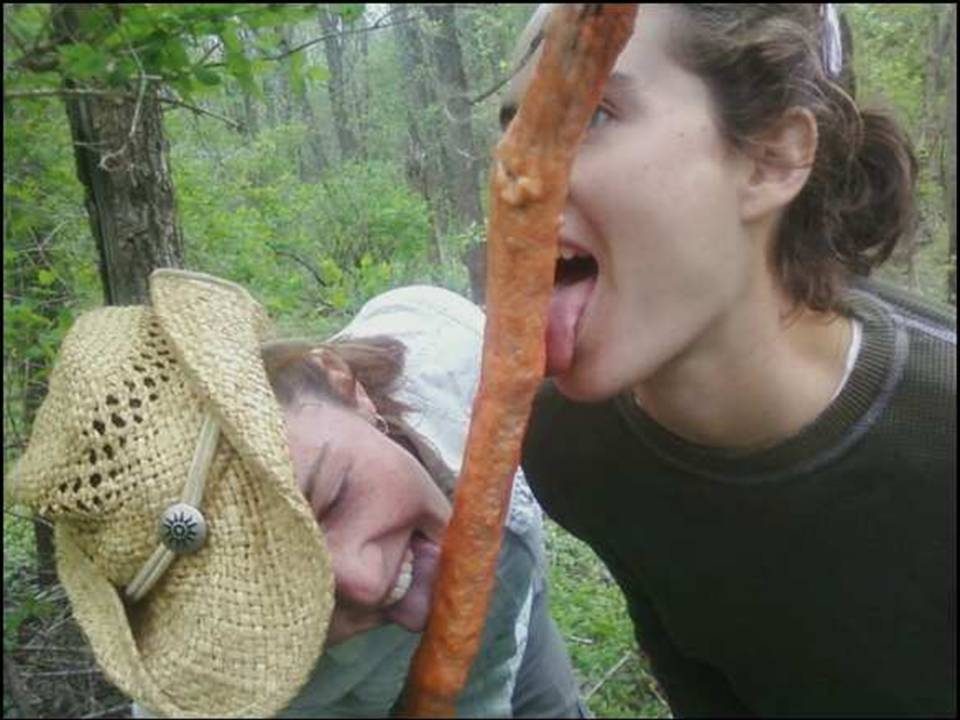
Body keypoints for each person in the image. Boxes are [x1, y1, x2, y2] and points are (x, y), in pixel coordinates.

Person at [508, 4, 956, 718]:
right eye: (511, 123)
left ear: (772, 158)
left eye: (591, 114)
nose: (515, 178)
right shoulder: (567, 446)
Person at [7, 269, 585, 718]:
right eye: (272, 597)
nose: (364, 580)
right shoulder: (209, 694)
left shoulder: (464, 363)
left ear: (338, 380)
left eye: (332, 498)